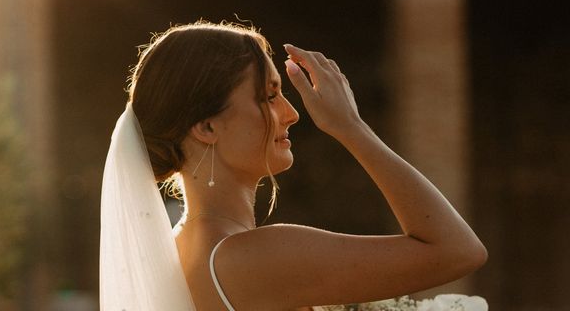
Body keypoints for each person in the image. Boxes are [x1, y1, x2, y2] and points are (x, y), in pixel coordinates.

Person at [100, 20, 487, 311]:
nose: (290, 114)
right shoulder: (256, 255)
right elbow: (458, 250)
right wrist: (351, 127)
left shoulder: (178, 249)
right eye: (269, 97)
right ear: (206, 126)